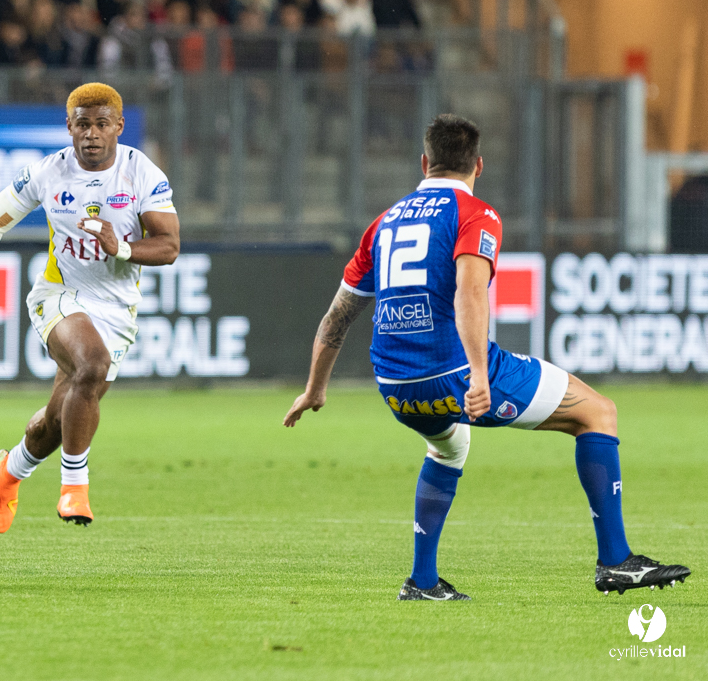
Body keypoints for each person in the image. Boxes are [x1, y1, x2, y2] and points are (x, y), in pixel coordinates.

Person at [283, 115, 692, 599]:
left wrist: (314, 388)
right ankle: (617, 561)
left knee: (449, 447)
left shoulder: (383, 223)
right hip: (455, 375)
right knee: (598, 413)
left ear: (424, 162)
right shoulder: (477, 215)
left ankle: (423, 581)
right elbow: (469, 294)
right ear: (478, 165)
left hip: (394, 386)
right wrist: (479, 376)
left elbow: (337, 317)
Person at [0, 83, 180, 531]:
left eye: (101, 124)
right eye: (82, 124)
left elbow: (169, 247)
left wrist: (123, 248)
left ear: (119, 126)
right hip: (59, 294)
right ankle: (75, 487)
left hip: (116, 307)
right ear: (68, 126)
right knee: (92, 364)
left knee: (56, 423)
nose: (91, 134)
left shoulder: (141, 172)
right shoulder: (47, 173)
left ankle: (11, 469)